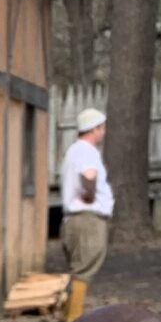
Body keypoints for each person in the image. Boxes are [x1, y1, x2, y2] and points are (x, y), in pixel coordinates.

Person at [60, 106, 112, 281]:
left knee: (77, 271)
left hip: (74, 219)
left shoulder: (73, 151)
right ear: (94, 129)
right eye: (102, 128)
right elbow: (89, 176)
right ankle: (73, 310)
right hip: (87, 220)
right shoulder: (86, 151)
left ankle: (71, 307)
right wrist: (89, 194)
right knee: (82, 274)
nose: (103, 132)